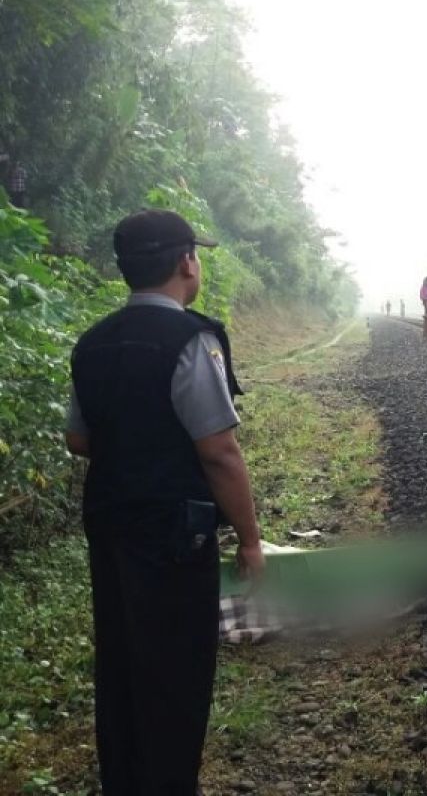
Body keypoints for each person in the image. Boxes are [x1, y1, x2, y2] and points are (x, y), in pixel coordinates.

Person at [64, 209, 265, 794]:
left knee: (122, 659)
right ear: (185, 263)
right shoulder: (191, 339)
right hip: (174, 535)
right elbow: (219, 452)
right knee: (175, 668)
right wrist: (251, 540)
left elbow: (79, 439)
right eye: (195, 255)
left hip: (108, 525)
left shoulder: (92, 343)